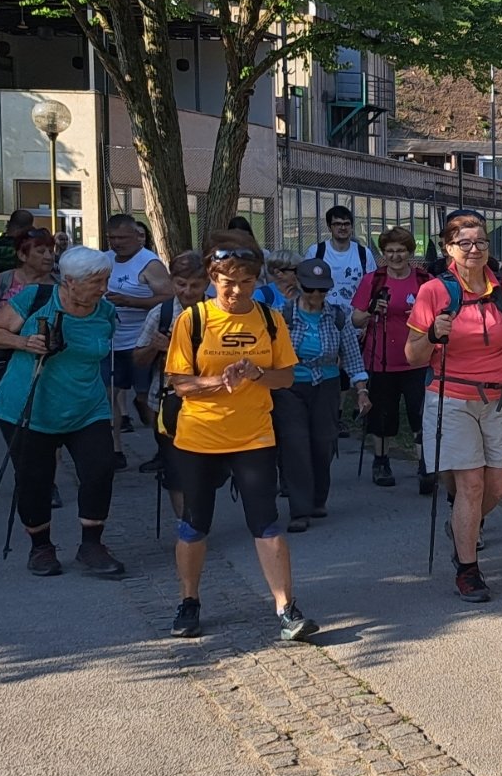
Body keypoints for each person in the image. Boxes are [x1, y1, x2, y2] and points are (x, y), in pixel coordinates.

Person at [161, 230, 316, 643]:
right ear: (212, 277)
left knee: (266, 521)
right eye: (228, 282)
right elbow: (179, 382)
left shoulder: (269, 319)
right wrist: (217, 381)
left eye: (246, 281)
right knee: (195, 524)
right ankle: (189, 601)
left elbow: (286, 377)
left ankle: (286, 609)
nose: (237, 290)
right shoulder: (193, 320)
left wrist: (257, 374)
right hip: (200, 436)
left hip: (254, 436)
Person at [405, 210, 502, 603]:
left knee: (499, 486)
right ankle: (468, 569)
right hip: (452, 395)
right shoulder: (434, 292)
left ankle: (464, 521)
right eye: (464, 243)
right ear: (448, 248)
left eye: (480, 242)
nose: (474, 249)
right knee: (472, 484)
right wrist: (432, 334)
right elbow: (413, 356)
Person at [0, 246, 126, 577]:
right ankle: (41, 547)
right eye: (96, 282)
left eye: (106, 280)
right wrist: (25, 342)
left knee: (100, 469)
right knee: (35, 478)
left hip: (86, 406)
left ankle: (92, 545)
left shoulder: (104, 311)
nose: (104, 289)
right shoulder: (36, 298)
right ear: (70, 281)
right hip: (29, 405)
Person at [274, 259, 370, 532]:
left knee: (323, 443)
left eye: (322, 289)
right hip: (291, 386)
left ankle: (317, 499)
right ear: (299, 285)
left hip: (326, 385)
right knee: (295, 444)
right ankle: (299, 509)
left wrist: (362, 391)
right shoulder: (281, 315)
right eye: (310, 289)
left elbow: (352, 356)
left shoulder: (338, 316)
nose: (316, 295)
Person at [352, 226, 435, 490]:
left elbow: (441, 315)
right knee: (382, 415)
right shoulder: (373, 280)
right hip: (381, 359)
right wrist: (372, 310)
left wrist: (423, 316)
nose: (395, 256)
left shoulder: (424, 281)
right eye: (389, 251)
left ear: (410, 252)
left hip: (419, 360)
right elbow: (356, 319)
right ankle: (381, 461)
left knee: (420, 414)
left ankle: (425, 467)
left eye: (401, 251)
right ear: (383, 253)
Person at [134, 252, 207, 516]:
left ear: (207, 282)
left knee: (205, 468)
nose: (187, 291)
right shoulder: (161, 313)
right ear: (172, 281)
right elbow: (138, 359)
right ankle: (187, 523)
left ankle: (199, 513)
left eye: (195, 285)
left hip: (209, 401)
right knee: (175, 468)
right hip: (167, 402)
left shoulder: (217, 313)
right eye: (181, 284)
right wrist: (154, 348)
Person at [105, 213, 173, 441]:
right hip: (110, 342)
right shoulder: (105, 260)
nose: (117, 243)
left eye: (122, 238)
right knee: (107, 396)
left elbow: (168, 298)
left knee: (146, 398)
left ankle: (161, 445)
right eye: (112, 238)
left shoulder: (149, 263)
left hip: (141, 342)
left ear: (137, 236)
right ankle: (115, 449)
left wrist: (130, 301)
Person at [0, 228, 59, 396]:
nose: (49, 257)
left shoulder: (61, 285)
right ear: (22, 255)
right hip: (4, 360)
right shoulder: (0, 281)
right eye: (41, 251)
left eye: (51, 251)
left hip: (48, 362)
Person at [312, 205, 373, 314]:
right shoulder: (316, 252)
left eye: (346, 224)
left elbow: (373, 285)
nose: (343, 228)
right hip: (324, 318)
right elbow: (305, 285)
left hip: (355, 319)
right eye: (337, 224)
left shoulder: (364, 253)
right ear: (329, 227)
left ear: (352, 226)